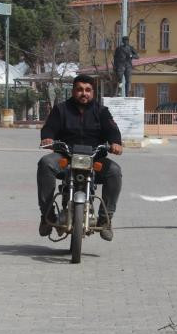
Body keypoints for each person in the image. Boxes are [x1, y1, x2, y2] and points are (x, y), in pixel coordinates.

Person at [38, 74, 124, 241]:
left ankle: (105, 220)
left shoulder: (102, 112)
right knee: (45, 164)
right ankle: (47, 216)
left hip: (94, 158)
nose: (83, 93)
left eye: (87, 90)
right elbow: (49, 127)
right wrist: (47, 138)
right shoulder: (61, 109)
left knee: (114, 171)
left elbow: (112, 130)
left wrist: (116, 142)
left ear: (93, 92)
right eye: (79, 90)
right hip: (66, 158)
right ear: (73, 91)